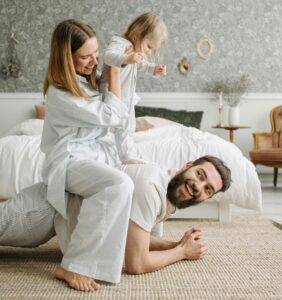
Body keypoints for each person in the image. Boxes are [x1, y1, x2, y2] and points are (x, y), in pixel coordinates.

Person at [0, 156, 231, 280]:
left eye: (208, 189)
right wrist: (182, 252)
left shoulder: (167, 194)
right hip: (44, 209)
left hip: (54, 221)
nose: (197, 186)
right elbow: (136, 264)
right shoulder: (150, 187)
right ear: (188, 165)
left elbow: (131, 236)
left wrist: (176, 244)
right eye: (200, 174)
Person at [40, 19, 136, 291]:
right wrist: (115, 70)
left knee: (132, 178)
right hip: (68, 161)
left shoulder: (87, 82)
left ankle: (138, 247)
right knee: (119, 184)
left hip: (90, 156)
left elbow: (117, 104)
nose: (94, 61)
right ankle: (72, 266)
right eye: (85, 56)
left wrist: (123, 58)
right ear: (65, 58)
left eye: (96, 54)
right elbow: (111, 116)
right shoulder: (59, 93)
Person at [100, 12, 167, 162]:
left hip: (126, 96)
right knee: (109, 125)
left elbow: (141, 64)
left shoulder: (136, 53)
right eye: (149, 46)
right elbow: (108, 56)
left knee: (128, 126)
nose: (149, 51)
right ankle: (109, 151)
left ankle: (127, 156)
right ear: (137, 35)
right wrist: (125, 58)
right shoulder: (120, 43)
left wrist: (153, 68)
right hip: (111, 94)